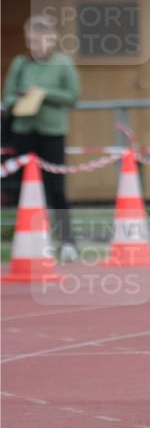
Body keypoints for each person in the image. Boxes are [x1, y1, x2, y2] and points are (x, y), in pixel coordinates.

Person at [2, 15, 80, 261]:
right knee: (24, 189)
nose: (34, 46)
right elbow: (8, 97)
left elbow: (72, 96)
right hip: (24, 132)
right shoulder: (20, 64)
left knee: (56, 189)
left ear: (51, 39)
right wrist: (21, 97)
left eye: (38, 41)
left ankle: (67, 241)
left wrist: (44, 93)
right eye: (30, 41)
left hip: (52, 133)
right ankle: (31, 240)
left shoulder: (63, 63)